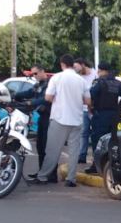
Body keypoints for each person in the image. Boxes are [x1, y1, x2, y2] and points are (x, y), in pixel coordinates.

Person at [29, 54, 91, 187]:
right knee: (74, 150)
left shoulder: (56, 78)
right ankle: (71, 179)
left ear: (62, 64)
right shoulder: (81, 81)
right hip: (77, 119)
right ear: (72, 64)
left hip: (59, 118)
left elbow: (48, 98)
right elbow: (88, 101)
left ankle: (43, 176)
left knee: (52, 149)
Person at [84, 62, 121, 174]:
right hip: (114, 116)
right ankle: (113, 164)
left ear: (100, 70)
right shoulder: (118, 83)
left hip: (100, 116)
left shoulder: (99, 83)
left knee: (98, 141)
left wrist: (91, 108)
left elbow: (90, 96)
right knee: (113, 141)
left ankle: (96, 165)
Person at [17, 65, 56, 183]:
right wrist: (15, 95)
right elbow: (29, 92)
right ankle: (42, 172)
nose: (33, 76)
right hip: (42, 118)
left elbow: (45, 99)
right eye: (32, 74)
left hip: (50, 118)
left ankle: (51, 175)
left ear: (42, 71)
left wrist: (31, 102)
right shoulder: (38, 85)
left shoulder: (50, 83)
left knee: (48, 147)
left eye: (35, 73)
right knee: (40, 146)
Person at [73, 58, 98, 164]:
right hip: (83, 108)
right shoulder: (78, 77)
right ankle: (82, 155)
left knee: (96, 132)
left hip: (94, 108)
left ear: (83, 65)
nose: (75, 69)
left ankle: (96, 157)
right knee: (84, 132)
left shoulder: (95, 74)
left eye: (76, 66)